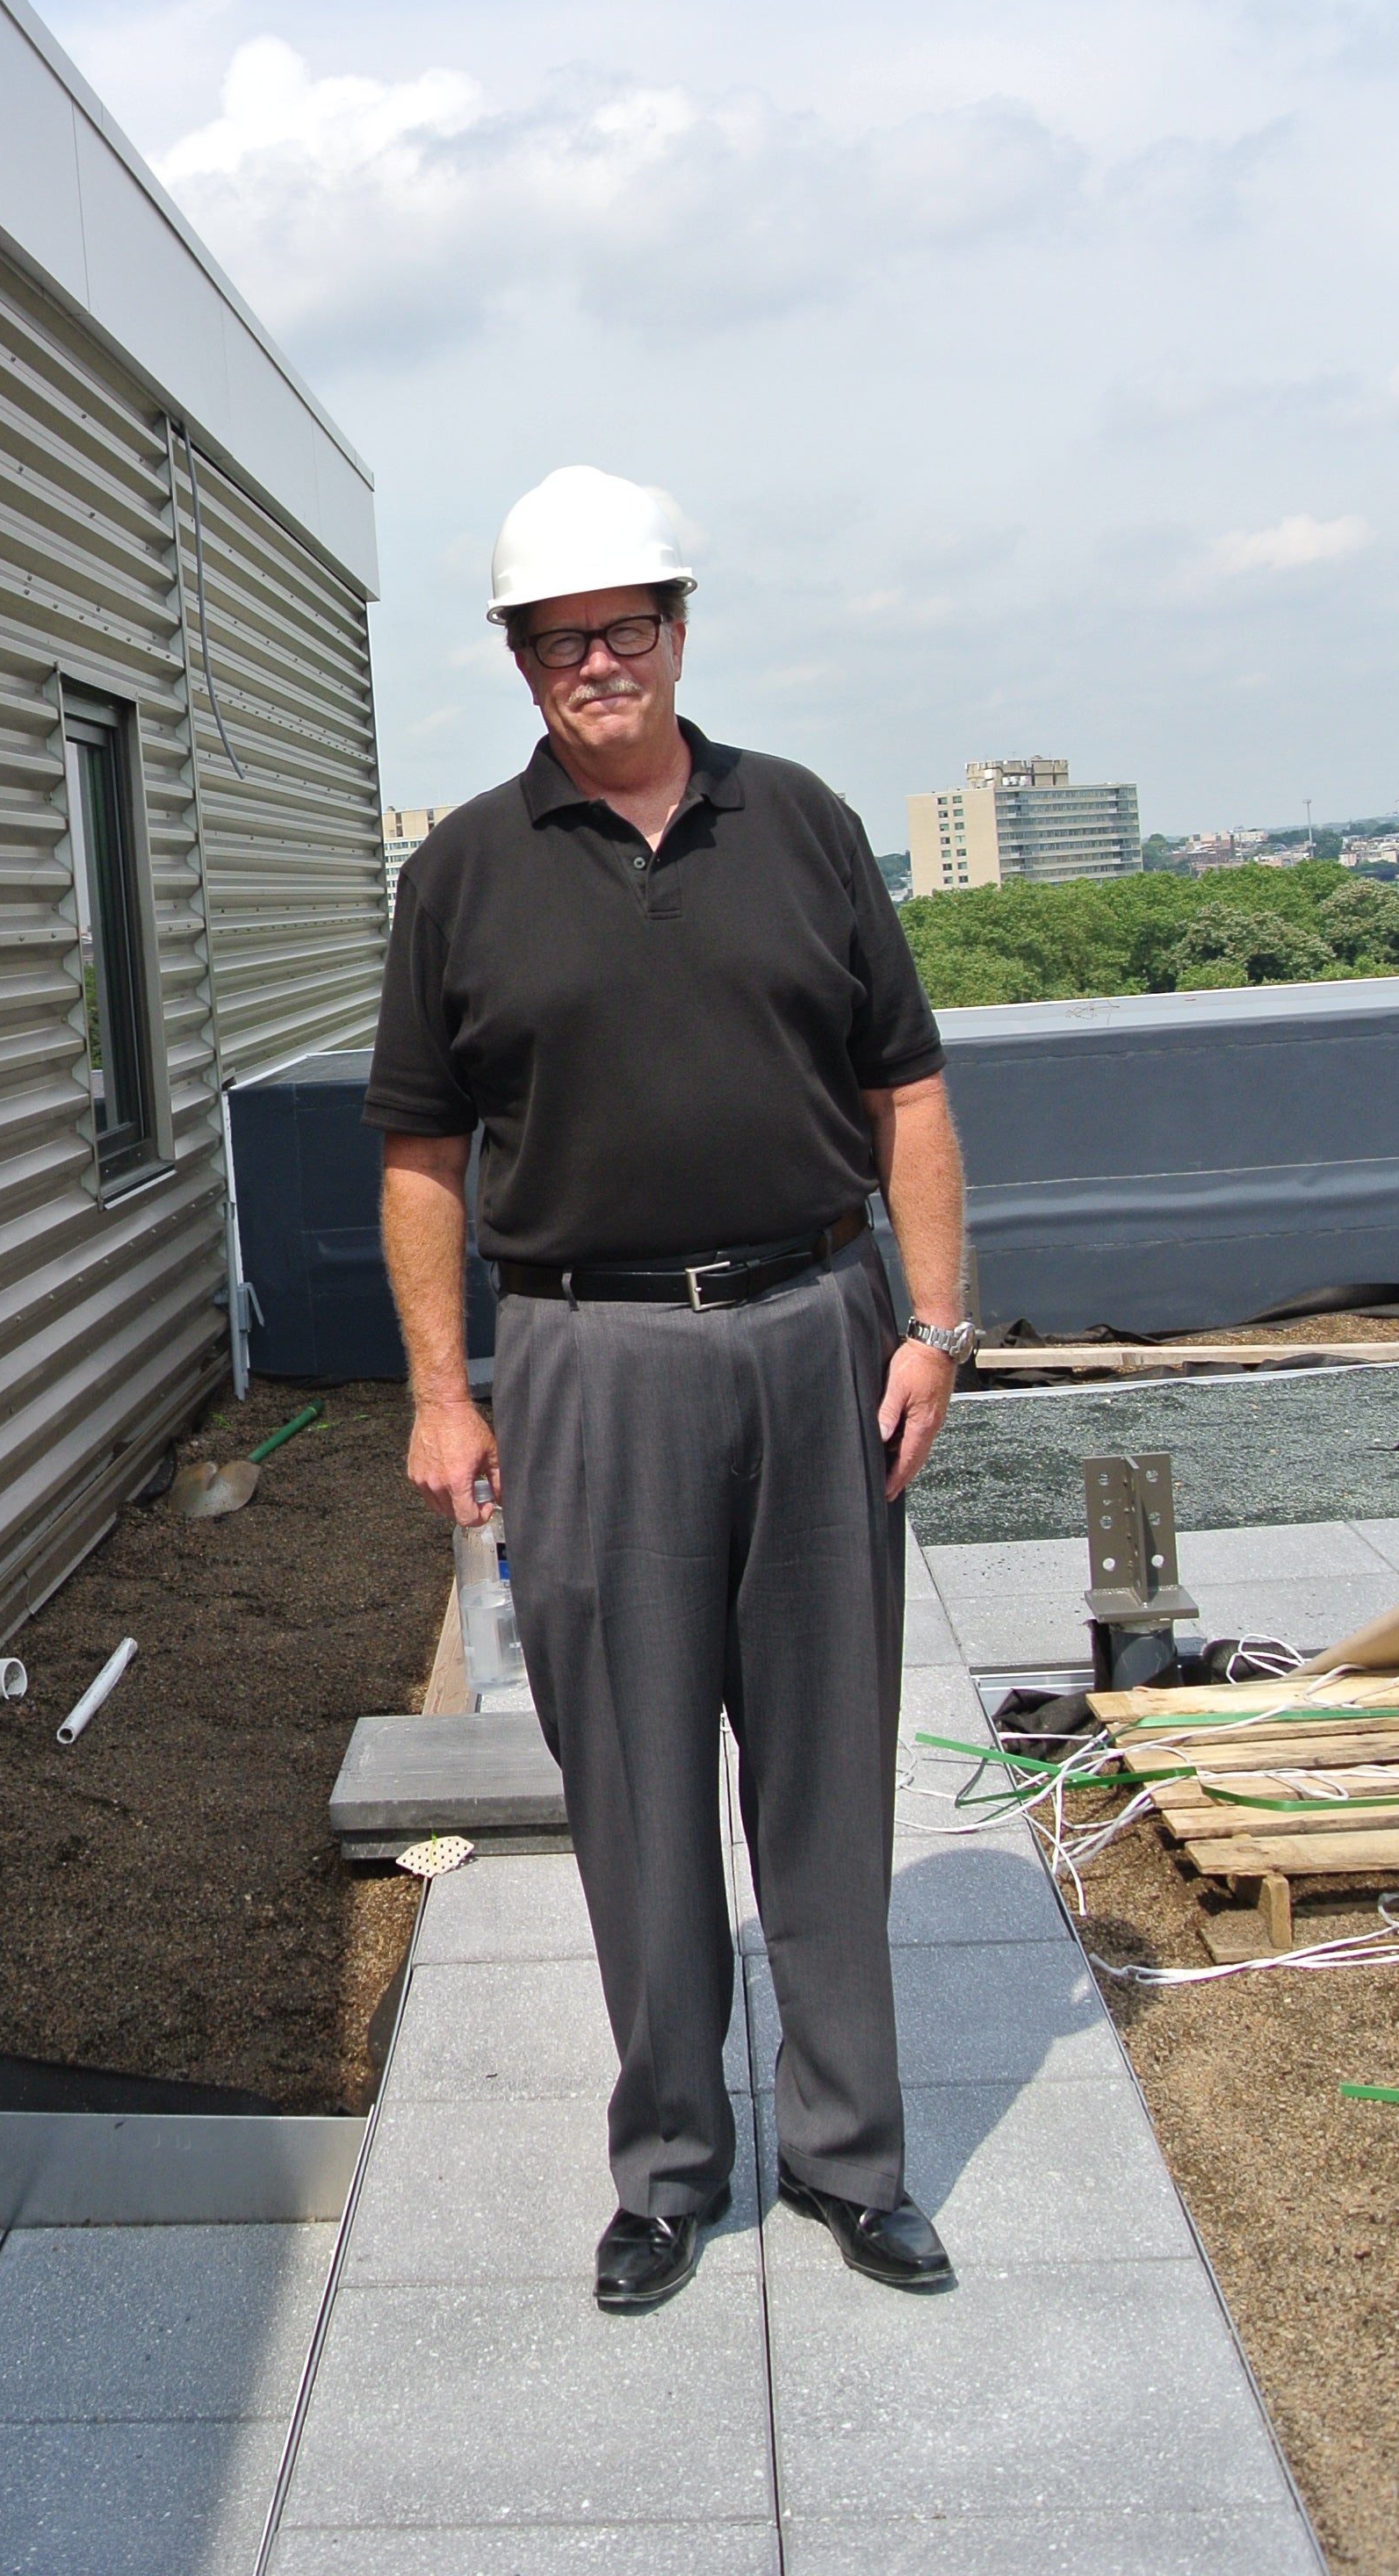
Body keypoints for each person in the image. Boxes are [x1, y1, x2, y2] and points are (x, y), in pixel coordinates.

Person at [364, 464, 973, 2315]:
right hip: (583, 1356)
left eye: (624, 629)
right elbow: (414, 1148)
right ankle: (669, 2166)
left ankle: (851, 2159)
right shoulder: (463, 869)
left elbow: (912, 1099)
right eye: (559, 642)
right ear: (522, 661)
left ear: (679, 631)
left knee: (824, 1763)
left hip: (815, 1332)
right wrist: (440, 1391)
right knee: (627, 1779)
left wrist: (935, 1326)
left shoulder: (802, 825)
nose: (596, 665)